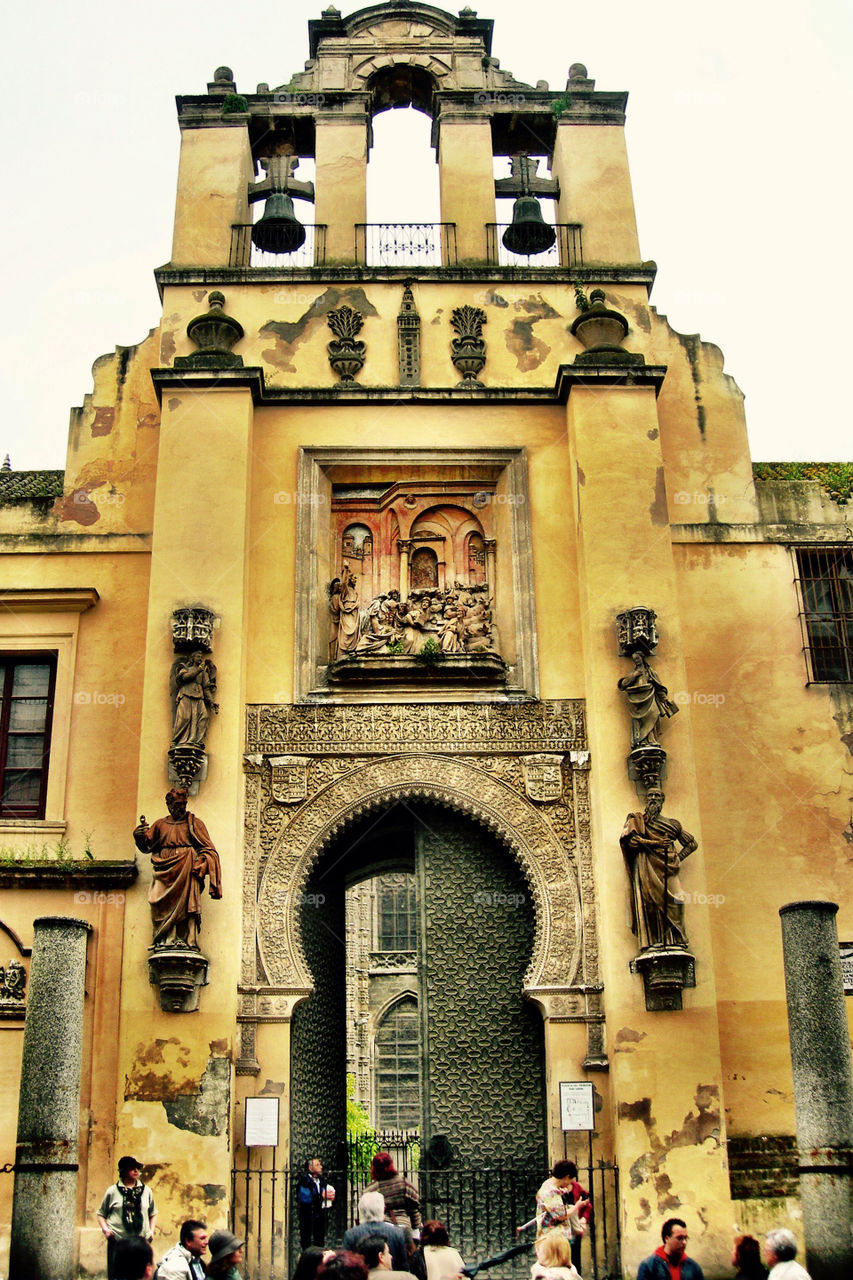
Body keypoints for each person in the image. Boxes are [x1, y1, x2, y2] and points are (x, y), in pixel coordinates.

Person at [134, 789, 222, 947]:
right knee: (161, 902)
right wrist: (138, 836)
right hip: (164, 869)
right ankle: (166, 938)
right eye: (177, 805)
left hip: (187, 867)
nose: (181, 808)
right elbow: (147, 847)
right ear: (168, 805)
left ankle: (190, 940)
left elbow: (209, 849)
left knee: (189, 904)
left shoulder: (194, 823)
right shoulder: (160, 824)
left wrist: (203, 861)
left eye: (183, 805)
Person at [620, 788, 697, 949]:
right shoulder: (638, 821)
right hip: (646, 867)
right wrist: (657, 844)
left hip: (668, 867)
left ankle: (676, 940)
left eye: (657, 796)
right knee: (650, 904)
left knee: (677, 901)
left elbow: (692, 844)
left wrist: (677, 858)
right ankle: (655, 942)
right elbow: (633, 842)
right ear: (646, 800)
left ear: (662, 801)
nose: (653, 799)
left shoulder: (672, 825)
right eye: (650, 796)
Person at [97, 1155, 157, 1280]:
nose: (136, 1171)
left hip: (141, 1242)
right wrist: (106, 1231)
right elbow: (101, 1214)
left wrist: (151, 1231)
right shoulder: (112, 1191)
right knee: (117, 1275)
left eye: (137, 1168)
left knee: (141, 1274)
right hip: (118, 1242)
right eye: (132, 1168)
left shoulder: (146, 1191)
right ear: (123, 1171)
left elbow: (153, 1213)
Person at [531, 1160, 589, 1273]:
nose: (570, 1183)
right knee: (557, 1269)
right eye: (571, 1179)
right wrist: (577, 1206)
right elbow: (561, 1216)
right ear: (567, 1177)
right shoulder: (551, 1191)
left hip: (550, 1236)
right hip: (554, 1238)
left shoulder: (548, 1185)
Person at [617, 650, 679, 747]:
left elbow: (659, 687)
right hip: (638, 701)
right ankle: (642, 741)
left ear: (642, 658)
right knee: (641, 721)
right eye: (634, 659)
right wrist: (634, 675)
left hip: (650, 697)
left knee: (655, 713)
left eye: (637, 658)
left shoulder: (650, 672)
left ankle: (652, 739)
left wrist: (664, 699)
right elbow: (623, 684)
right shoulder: (634, 673)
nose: (636, 661)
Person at [343, 1192, 410, 1271]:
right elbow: (403, 1265)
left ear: (361, 1209)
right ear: (383, 1209)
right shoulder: (397, 1233)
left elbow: (346, 1266)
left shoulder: (351, 1235)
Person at [365, 1152, 422, 1232]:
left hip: (381, 1228)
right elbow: (414, 1208)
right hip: (404, 1227)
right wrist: (416, 1228)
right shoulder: (404, 1184)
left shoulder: (372, 1188)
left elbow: (366, 1211)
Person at [170, 651, 217, 748]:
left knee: (204, 716)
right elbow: (185, 678)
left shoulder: (203, 673)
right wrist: (198, 670)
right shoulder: (185, 668)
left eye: (201, 657)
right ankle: (177, 740)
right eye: (198, 657)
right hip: (186, 695)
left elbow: (206, 688)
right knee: (184, 718)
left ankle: (196, 740)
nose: (200, 659)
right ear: (193, 658)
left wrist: (212, 702)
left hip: (199, 697)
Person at [637, 1219, 703, 1280]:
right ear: (667, 1239)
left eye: (686, 1238)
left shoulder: (693, 1268)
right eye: (679, 1238)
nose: (684, 1242)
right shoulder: (649, 1266)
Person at [297, 1157, 333, 1249]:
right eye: (317, 1165)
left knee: (319, 1241)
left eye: (320, 1164)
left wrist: (331, 1196)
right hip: (307, 1216)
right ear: (310, 1168)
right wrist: (321, 1196)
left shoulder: (321, 1181)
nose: (321, 1167)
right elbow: (305, 1198)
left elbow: (326, 1193)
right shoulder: (304, 1181)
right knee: (306, 1241)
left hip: (319, 1216)